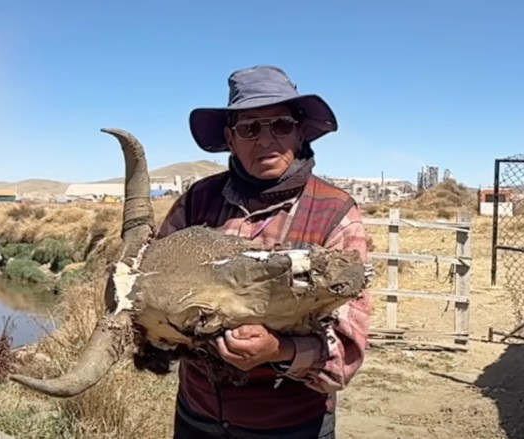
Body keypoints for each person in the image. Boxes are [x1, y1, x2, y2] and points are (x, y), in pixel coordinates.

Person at [157, 65, 374, 439]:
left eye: (281, 124)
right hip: (197, 416)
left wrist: (278, 349)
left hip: (290, 427)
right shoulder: (197, 202)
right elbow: (155, 282)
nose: (265, 139)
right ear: (230, 137)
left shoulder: (336, 213)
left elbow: (346, 353)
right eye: (249, 128)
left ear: (300, 132)